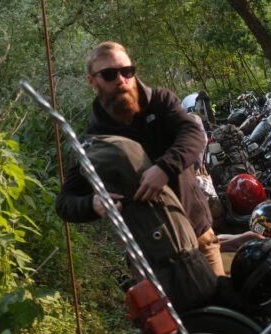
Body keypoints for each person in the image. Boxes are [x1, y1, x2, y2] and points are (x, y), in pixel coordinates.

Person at [55, 41, 226, 277]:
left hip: (197, 235)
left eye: (127, 71)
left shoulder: (161, 101)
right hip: (151, 257)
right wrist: (93, 204)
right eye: (109, 74)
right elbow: (65, 202)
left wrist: (164, 168)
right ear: (92, 81)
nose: (121, 80)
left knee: (219, 299)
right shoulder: (95, 141)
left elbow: (193, 134)